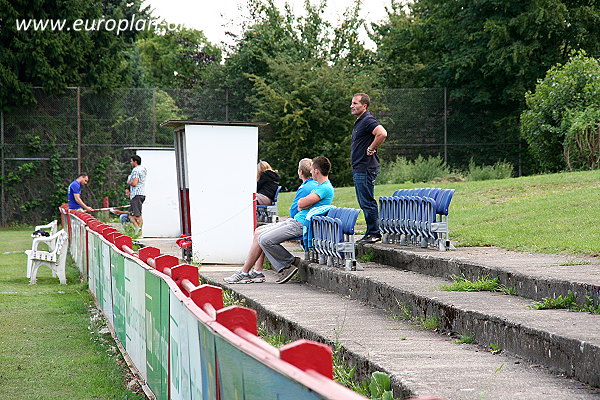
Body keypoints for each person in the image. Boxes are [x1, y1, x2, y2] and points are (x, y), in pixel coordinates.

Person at [225, 157, 332, 284]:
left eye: (312, 169)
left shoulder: (323, 188)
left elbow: (301, 203)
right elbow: (301, 205)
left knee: (264, 239)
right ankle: (253, 272)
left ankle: (289, 263)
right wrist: (302, 204)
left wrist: (303, 204)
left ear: (316, 171)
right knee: (259, 232)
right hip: (297, 221)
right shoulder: (319, 186)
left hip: (301, 224)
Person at [350, 93, 388, 243]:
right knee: (364, 201)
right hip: (360, 167)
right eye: (351, 103)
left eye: (355, 103)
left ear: (364, 106)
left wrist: (371, 147)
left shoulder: (367, 120)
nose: (351, 106)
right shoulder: (360, 121)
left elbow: (382, 133)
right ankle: (370, 232)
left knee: (367, 201)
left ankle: (374, 233)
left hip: (365, 167)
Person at [127, 155, 147, 233]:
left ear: (135, 162)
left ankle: (140, 232)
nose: (131, 163)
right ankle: (137, 229)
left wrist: (129, 182)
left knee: (138, 215)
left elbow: (135, 183)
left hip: (136, 194)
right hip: (141, 193)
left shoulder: (136, 170)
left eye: (131, 161)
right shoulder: (143, 169)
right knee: (130, 214)